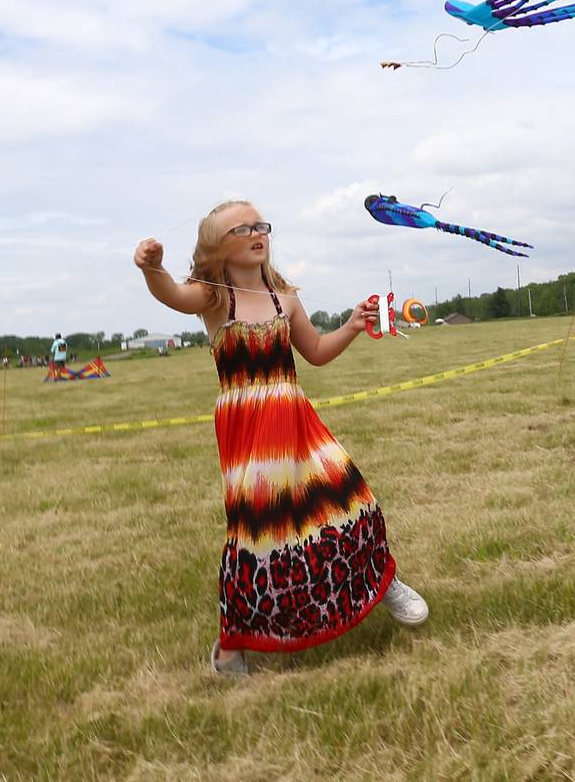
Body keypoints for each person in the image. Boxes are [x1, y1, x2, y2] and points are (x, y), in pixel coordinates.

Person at [133, 200, 429, 677]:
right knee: (260, 533)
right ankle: (232, 645)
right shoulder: (212, 298)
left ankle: (381, 579)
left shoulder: (283, 298)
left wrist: (352, 326)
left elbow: (314, 353)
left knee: (353, 502)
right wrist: (152, 269)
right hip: (249, 427)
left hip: (296, 416)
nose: (257, 233)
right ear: (217, 247)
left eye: (260, 225)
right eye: (241, 228)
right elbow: (169, 293)